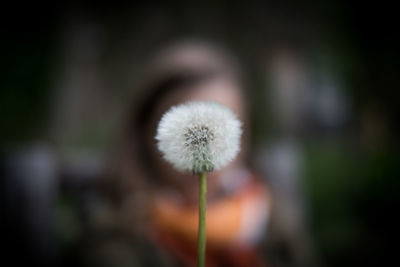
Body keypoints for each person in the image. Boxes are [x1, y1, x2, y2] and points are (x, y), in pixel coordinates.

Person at [86, 40, 271, 267]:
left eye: (223, 133)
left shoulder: (272, 218)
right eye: (191, 134)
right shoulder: (114, 238)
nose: (206, 151)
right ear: (146, 134)